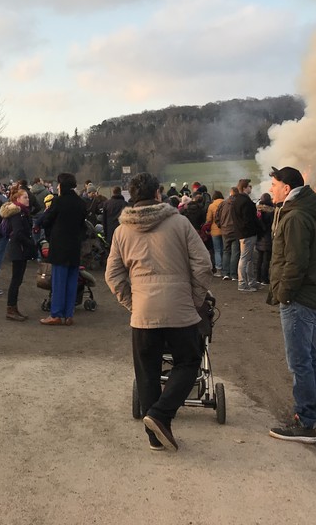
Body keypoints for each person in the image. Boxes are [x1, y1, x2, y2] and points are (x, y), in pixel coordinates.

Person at [105, 172, 213, 451]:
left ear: (132, 197)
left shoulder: (121, 231)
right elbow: (203, 264)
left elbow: (113, 275)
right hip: (180, 310)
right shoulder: (180, 223)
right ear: (158, 194)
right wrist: (195, 299)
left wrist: (132, 303)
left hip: (143, 313)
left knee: (147, 372)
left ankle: (155, 437)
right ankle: (161, 414)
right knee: (188, 362)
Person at [265, 166, 316, 443]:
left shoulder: (294, 217)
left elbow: (295, 261)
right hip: (307, 296)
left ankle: (305, 422)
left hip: (299, 298)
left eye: (273, 184)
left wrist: (285, 293)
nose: (270, 189)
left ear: (286, 188)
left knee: (300, 361)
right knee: (310, 357)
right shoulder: (300, 212)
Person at [40, 172, 88, 326]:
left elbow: (46, 221)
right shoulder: (81, 203)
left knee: (59, 282)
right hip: (74, 246)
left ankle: (56, 314)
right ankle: (69, 314)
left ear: (62, 185)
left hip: (60, 246)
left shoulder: (58, 202)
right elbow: (83, 226)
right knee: (72, 282)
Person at [1, 184, 37, 322]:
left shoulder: (22, 212)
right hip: (18, 249)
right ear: (18, 199)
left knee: (17, 280)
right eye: (25, 197)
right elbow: (17, 233)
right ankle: (11, 309)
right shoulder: (17, 213)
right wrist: (30, 243)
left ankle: (13, 308)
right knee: (16, 280)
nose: (28, 199)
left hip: (19, 248)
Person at [232, 179, 261, 292]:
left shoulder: (236, 201)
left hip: (241, 232)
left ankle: (251, 282)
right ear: (244, 188)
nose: (251, 188)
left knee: (249, 258)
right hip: (248, 233)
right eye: (250, 186)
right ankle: (242, 284)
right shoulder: (245, 202)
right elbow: (249, 219)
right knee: (245, 259)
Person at [204, 191, 225, 275]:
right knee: (224, 250)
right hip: (224, 229)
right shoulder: (225, 204)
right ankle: (225, 269)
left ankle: (218, 269)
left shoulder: (211, 206)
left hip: (215, 230)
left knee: (217, 250)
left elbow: (209, 219)